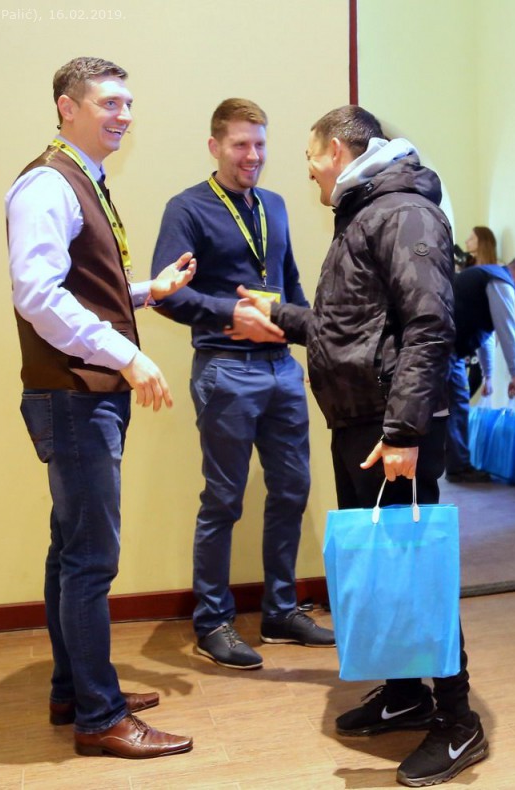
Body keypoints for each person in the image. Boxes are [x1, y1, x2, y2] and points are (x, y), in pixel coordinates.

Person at [230, 105, 486, 787]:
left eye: (311, 155)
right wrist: (279, 317)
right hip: (362, 420)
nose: (310, 169)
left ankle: (458, 720)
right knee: (383, 568)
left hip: (389, 427)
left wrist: (404, 430)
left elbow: (430, 325)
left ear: (339, 151)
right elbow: (354, 328)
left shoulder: (403, 211)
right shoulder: (368, 211)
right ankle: (406, 693)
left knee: (414, 568)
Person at [7, 56, 195, 758]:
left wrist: (146, 291)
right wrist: (127, 355)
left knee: (70, 551)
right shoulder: (48, 184)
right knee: (90, 561)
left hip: (79, 396)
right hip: (75, 397)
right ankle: (100, 717)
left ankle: (74, 689)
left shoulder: (80, 179)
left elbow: (82, 286)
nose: (125, 115)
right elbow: (38, 294)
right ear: (68, 106)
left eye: (128, 104)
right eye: (110, 103)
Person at [150, 99, 333, 670]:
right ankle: (212, 621)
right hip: (225, 369)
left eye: (260, 144)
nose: (252, 155)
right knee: (223, 500)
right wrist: (232, 315)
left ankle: (279, 612)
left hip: (281, 370)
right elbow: (167, 295)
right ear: (215, 147)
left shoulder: (274, 204)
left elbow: (290, 283)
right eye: (240, 145)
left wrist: (310, 346)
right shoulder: (187, 208)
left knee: (292, 490)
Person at [444, 254, 515, 484]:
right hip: (440, 347)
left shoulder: (489, 278)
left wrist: (489, 376)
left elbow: (485, 335)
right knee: (438, 405)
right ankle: (440, 467)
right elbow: (507, 328)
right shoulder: (501, 281)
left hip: (450, 350)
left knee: (458, 404)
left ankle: (458, 467)